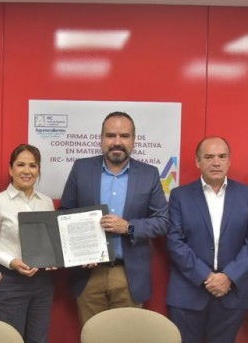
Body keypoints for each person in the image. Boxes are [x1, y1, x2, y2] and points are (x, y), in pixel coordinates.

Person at [166, 137, 248, 343]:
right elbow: (174, 241)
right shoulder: (180, 196)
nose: (216, 162)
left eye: (222, 157)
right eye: (209, 157)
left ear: (229, 161)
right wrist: (205, 276)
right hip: (188, 293)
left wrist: (229, 277)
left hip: (232, 293)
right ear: (198, 162)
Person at [60, 111, 169, 325]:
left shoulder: (149, 174)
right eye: (111, 135)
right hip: (88, 274)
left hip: (129, 275)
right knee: (92, 338)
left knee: (125, 340)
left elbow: (163, 221)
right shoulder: (81, 169)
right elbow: (64, 214)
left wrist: (128, 227)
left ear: (133, 140)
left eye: (124, 136)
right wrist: (80, 252)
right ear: (101, 139)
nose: (117, 142)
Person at [0, 144, 55, 343]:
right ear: (10, 169)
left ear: (39, 170)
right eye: (21, 165)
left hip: (42, 283)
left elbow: (50, 241)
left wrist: (54, 259)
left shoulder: (46, 202)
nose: (27, 171)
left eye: (33, 165)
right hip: (8, 282)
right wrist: (11, 261)